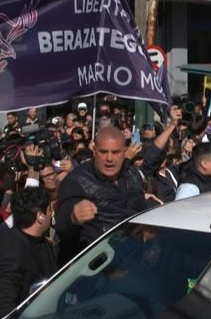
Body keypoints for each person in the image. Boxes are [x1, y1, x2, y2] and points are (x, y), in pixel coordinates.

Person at [55, 107, 181, 263]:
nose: (109, 158)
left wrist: (172, 125)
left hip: (136, 261)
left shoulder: (132, 173)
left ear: (125, 151)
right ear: (94, 150)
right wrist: (73, 219)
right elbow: (62, 228)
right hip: (98, 271)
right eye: (103, 152)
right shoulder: (77, 181)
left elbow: (153, 154)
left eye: (115, 152)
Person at [0, 186, 57, 319]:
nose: (52, 214)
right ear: (41, 217)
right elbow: (5, 307)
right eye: (50, 210)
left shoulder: (41, 242)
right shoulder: (11, 252)